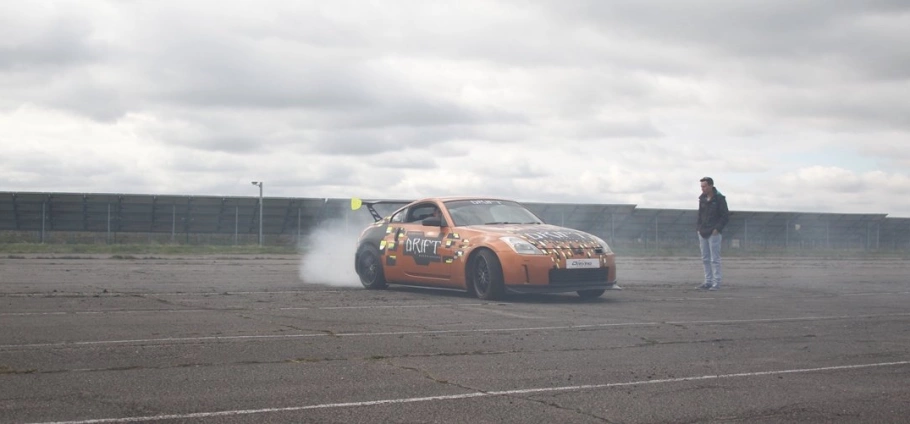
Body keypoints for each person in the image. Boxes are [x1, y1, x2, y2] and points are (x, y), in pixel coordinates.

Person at [696, 177, 730, 290]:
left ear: (711, 186)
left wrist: (717, 229)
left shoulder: (719, 199)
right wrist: (699, 228)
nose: (702, 189)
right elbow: (700, 215)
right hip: (703, 232)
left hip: (714, 232)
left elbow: (725, 216)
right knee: (705, 258)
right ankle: (708, 281)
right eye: (701, 186)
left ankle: (717, 282)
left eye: (704, 186)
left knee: (714, 259)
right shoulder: (702, 199)